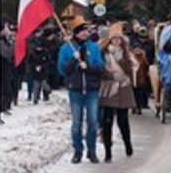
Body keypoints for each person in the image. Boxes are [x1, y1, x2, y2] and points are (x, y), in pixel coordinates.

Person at [58, 16, 105, 164]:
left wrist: (89, 68)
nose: (86, 33)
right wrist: (74, 60)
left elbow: (100, 67)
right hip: (76, 90)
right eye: (83, 31)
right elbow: (62, 70)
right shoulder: (66, 48)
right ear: (76, 33)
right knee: (76, 123)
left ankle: (91, 150)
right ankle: (78, 150)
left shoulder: (94, 47)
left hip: (91, 89)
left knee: (92, 121)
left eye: (87, 31)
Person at [98, 24, 138, 162]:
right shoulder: (104, 53)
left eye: (118, 39)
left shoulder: (127, 53)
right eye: (113, 39)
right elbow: (101, 69)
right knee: (107, 120)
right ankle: (108, 151)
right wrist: (110, 74)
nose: (116, 41)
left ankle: (128, 144)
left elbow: (132, 68)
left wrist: (121, 59)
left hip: (124, 86)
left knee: (123, 120)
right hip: (109, 88)